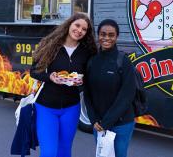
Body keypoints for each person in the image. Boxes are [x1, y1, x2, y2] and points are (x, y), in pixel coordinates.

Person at [30, 13, 97, 157]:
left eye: (84, 29)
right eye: (77, 25)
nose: (79, 30)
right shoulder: (51, 45)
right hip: (46, 107)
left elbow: (91, 77)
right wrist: (50, 77)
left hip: (71, 107)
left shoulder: (87, 52)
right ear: (69, 25)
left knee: (64, 152)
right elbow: (34, 72)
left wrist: (82, 81)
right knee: (49, 153)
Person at [84, 19, 137, 157]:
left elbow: (127, 95)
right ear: (98, 35)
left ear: (116, 37)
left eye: (111, 35)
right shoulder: (92, 61)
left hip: (121, 124)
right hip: (99, 125)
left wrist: (107, 122)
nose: (106, 38)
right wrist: (93, 119)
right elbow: (87, 93)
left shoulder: (123, 61)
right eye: (103, 34)